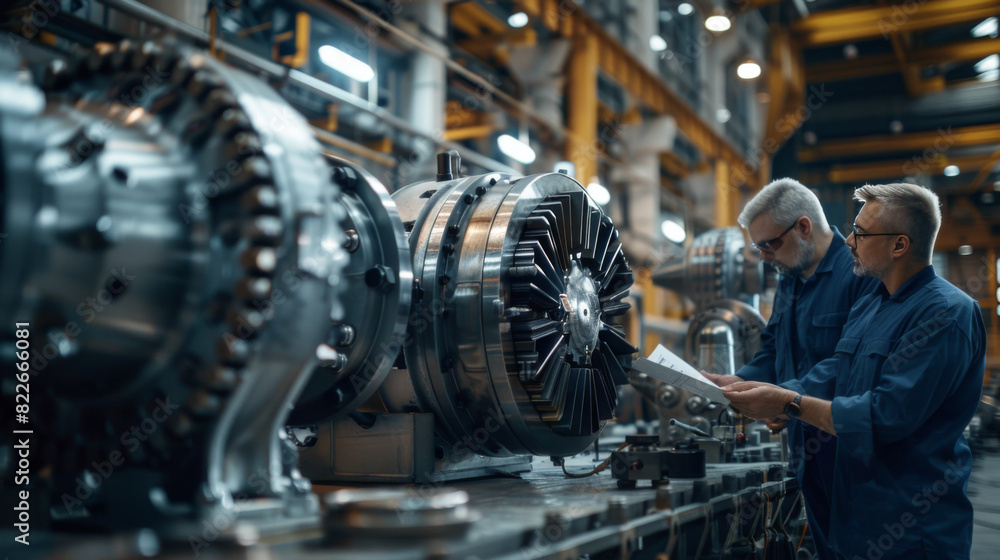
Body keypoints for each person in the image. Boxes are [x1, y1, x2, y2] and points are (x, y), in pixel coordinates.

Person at [723, 183, 986, 560]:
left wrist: (791, 402)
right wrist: (764, 393)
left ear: (899, 245)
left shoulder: (945, 313)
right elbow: (837, 373)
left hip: (910, 522)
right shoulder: (873, 305)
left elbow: (884, 416)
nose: (848, 241)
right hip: (855, 512)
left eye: (860, 233)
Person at [703, 178, 877, 560]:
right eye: (757, 247)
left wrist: (785, 398)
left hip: (851, 450)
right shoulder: (790, 279)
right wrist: (742, 380)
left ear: (803, 227)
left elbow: (852, 362)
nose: (764, 256)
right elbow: (773, 348)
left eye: (769, 244)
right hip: (803, 447)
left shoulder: (860, 272)